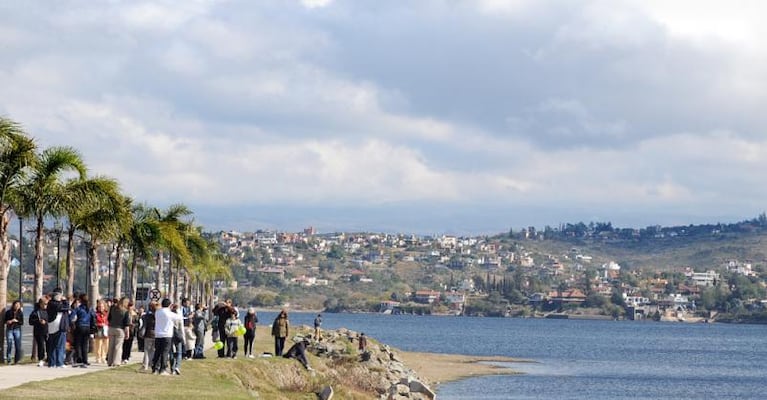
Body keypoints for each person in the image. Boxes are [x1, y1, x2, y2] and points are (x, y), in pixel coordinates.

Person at [152, 298, 181, 375]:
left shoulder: (157, 312)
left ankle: (155, 368)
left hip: (158, 334)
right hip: (167, 334)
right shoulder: (169, 313)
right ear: (169, 305)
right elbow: (179, 317)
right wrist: (176, 309)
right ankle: (163, 369)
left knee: (157, 352)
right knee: (165, 352)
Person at [46, 288, 70, 368]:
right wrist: (65, 301)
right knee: (58, 345)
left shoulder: (51, 303)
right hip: (57, 326)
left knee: (55, 345)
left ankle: (53, 362)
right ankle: (58, 362)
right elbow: (64, 308)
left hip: (57, 326)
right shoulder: (52, 303)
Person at [72, 294, 95, 368]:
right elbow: (94, 317)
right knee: (85, 345)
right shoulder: (90, 309)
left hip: (79, 326)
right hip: (87, 327)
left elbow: (72, 317)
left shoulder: (79, 308)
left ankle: (79, 359)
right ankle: (85, 360)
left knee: (78, 344)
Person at [106, 297, 130, 367]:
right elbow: (126, 324)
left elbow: (109, 318)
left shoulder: (113, 308)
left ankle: (109, 361)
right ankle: (116, 362)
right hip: (120, 329)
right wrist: (127, 333)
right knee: (118, 347)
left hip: (111, 328)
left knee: (111, 346)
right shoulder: (125, 311)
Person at [28, 297, 49, 367]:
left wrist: (46, 322)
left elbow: (51, 319)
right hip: (39, 331)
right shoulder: (35, 312)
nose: (45, 305)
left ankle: (49, 359)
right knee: (41, 346)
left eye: (46, 304)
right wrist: (38, 321)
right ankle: (41, 359)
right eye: (44, 304)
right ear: (40, 304)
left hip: (48, 330)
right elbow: (30, 322)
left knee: (49, 345)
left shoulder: (48, 311)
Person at [4, 300, 23, 364]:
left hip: (17, 330)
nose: (17, 306)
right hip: (9, 329)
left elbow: (21, 322)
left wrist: (17, 321)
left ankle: (17, 360)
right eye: (16, 305)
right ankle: (9, 359)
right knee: (9, 344)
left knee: (17, 345)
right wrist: (9, 321)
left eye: (19, 305)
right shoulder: (8, 312)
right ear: (13, 305)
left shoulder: (20, 313)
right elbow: (5, 321)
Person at [141, 301, 157, 371]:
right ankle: (151, 364)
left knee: (147, 350)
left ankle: (145, 365)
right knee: (153, 350)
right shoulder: (158, 316)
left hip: (148, 334)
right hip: (156, 334)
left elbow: (144, 325)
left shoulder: (147, 316)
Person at [93, 300, 109, 364]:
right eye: (99, 306)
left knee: (105, 344)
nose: (101, 308)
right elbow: (94, 322)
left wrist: (106, 324)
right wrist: (99, 324)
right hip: (98, 329)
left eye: (102, 306)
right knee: (98, 344)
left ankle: (103, 357)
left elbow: (109, 321)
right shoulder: (96, 314)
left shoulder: (107, 314)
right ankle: (98, 357)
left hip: (106, 329)